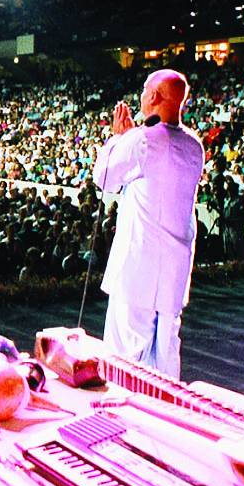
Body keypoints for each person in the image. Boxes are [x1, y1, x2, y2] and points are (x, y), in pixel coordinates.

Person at [93, 69, 204, 380]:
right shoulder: (194, 145)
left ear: (154, 96)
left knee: (124, 361)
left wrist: (120, 138)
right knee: (165, 363)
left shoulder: (142, 139)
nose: (141, 96)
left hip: (136, 269)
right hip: (173, 273)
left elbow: (104, 179)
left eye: (144, 90)